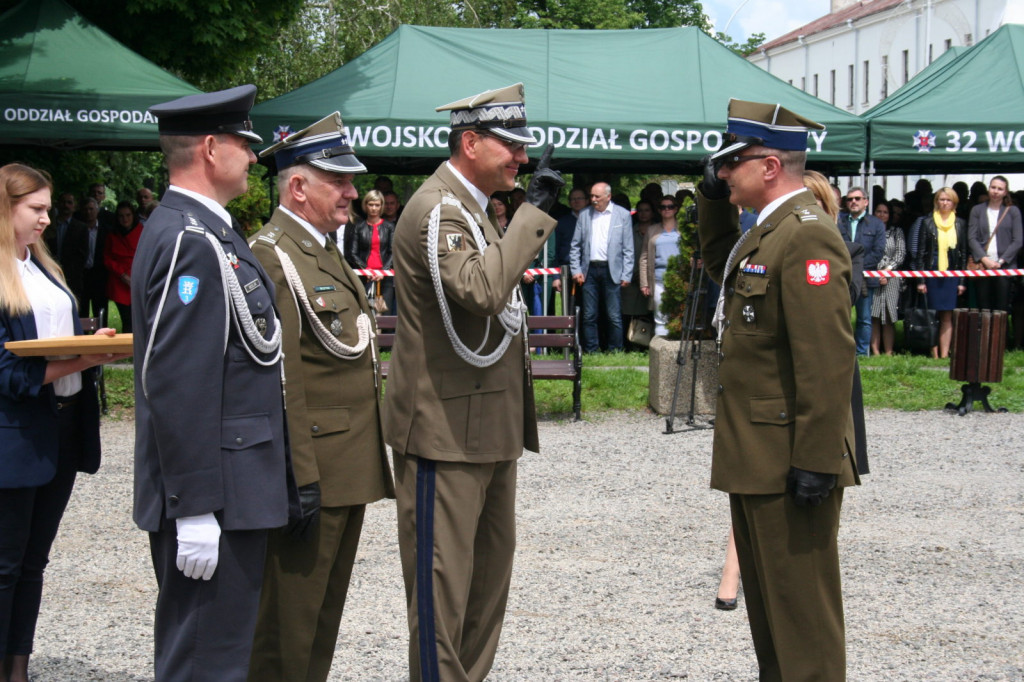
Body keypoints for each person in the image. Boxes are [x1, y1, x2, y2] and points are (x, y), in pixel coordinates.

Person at [384, 82, 562, 682]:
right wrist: (533, 215)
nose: (521, 157)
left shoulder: (474, 210)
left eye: (522, 146)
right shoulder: (439, 209)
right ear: (470, 142)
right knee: (443, 599)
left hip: (486, 427)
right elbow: (484, 292)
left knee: (486, 589)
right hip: (444, 429)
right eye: (509, 145)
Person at [131, 84, 294, 682]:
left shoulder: (203, 231)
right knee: (203, 663)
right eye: (242, 143)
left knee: (217, 655)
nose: (252, 156)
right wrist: (196, 509)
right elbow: (178, 383)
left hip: (231, 488)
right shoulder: (190, 241)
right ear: (209, 147)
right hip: (215, 495)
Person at [698, 99, 859, 681]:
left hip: (790, 458)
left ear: (768, 166)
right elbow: (722, 267)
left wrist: (816, 460)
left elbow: (827, 359)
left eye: (730, 164)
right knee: (772, 624)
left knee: (804, 627)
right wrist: (711, 207)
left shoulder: (807, 237)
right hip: (757, 456)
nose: (721, 172)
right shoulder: (764, 235)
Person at [247, 112, 395, 682]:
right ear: (298, 187)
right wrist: (297, 475)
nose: (355, 193)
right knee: (287, 627)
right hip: (311, 470)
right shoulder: (272, 254)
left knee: (321, 621)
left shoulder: (322, 249)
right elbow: (279, 379)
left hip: (346, 465)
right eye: (340, 181)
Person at [0, 163, 125, 682]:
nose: (48, 219)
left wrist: (89, 340)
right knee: (5, 568)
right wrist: (84, 360)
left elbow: (59, 335)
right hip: (17, 436)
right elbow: (7, 373)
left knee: (34, 564)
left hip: (65, 428)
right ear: (5, 210)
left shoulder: (45, 268)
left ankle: (19, 670)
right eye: (37, 209)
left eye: (48, 209)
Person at [568, 181, 634, 352]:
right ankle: (591, 350)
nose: (593, 199)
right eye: (591, 196)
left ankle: (616, 350)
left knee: (614, 315)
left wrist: (627, 274)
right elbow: (575, 246)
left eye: (597, 196)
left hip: (613, 271)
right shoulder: (584, 214)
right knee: (589, 315)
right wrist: (576, 270)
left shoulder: (623, 215)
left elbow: (628, 247)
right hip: (589, 270)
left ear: (608, 196)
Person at [909, 187, 968, 359]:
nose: (944, 203)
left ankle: (944, 354)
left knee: (947, 315)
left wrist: (962, 281)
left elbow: (963, 254)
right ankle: (933, 353)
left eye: (948, 200)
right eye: (941, 199)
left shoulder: (960, 223)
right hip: (931, 272)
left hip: (951, 274)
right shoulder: (927, 222)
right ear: (936, 202)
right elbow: (920, 254)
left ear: (954, 203)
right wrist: (920, 280)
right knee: (932, 314)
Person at [838, 186, 886, 356]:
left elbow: (878, 252)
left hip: (865, 277)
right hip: (841, 276)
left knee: (864, 318)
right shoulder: (838, 221)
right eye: (850, 199)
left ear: (866, 202)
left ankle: (861, 353)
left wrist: (857, 267)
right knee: (840, 317)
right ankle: (842, 351)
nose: (853, 202)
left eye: (857, 199)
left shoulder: (876, 224)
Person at [968, 175, 1022, 312]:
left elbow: (1018, 240)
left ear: (1005, 192)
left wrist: (1000, 261)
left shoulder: (1013, 211)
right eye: (993, 187)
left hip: (1005, 266)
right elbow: (971, 238)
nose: (995, 191)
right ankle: (985, 334)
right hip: (982, 265)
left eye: (999, 189)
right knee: (984, 307)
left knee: (1001, 308)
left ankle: (1000, 334)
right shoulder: (977, 210)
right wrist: (985, 259)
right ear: (988, 189)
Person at [344, 189, 396, 315]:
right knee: (364, 313)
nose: (374, 208)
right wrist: (367, 271)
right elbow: (352, 253)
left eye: (377, 205)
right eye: (371, 204)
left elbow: (393, 251)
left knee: (385, 314)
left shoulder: (389, 227)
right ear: (365, 206)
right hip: (363, 277)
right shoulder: (358, 226)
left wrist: (383, 271)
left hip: (385, 278)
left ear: (381, 207)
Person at [639, 197, 681, 336]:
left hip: (680, 278)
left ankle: (677, 345)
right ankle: (660, 347)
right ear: (659, 210)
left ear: (676, 209)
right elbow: (644, 257)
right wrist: (644, 283)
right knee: (660, 315)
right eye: (663, 207)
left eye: (670, 206)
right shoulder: (652, 230)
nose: (667, 209)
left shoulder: (684, 229)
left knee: (679, 313)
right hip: (657, 279)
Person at [870, 201, 905, 355]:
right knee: (874, 315)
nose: (882, 215)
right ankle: (875, 351)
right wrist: (877, 272)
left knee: (889, 316)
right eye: (879, 211)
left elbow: (900, 254)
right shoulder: (869, 231)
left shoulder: (897, 232)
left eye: (885, 212)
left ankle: (889, 351)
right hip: (873, 276)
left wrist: (887, 271)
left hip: (891, 278)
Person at [42, 192, 89, 306]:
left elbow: (82, 254)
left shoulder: (81, 227)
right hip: (49, 273)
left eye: (69, 202)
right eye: (63, 202)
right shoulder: (48, 226)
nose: (66, 205)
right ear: (57, 204)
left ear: (74, 206)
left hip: (72, 277)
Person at [103, 201, 143, 333]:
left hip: (138, 279)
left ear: (133, 215)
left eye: (128, 215)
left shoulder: (142, 231)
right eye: (121, 216)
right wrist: (122, 275)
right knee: (127, 319)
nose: (125, 219)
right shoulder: (112, 235)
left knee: (141, 318)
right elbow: (107, 258)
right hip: (119, 282)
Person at [622, 200, 655, 344]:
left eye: (647, 210)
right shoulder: (630, 230)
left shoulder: (656, 231)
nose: (643, 213)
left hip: (650, 279)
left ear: (652, 212)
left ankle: (646, 343)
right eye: (640, 210)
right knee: (628, 312)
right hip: (630, 277)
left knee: (649, 312)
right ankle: (629, 342)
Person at [550, 187, 587, 314]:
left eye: (579, 198)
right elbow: (554, 251)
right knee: (569, 309)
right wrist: (556, 276)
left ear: (586, 201)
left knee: (590, 311)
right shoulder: (561, 223)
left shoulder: (594, 220)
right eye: (573, 199)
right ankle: (570, 334)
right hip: (567, 271)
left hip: (591, 271)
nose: (576, 201)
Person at [78, 197, 109, 321]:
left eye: (91, 209)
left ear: (97, 211)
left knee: (100, 311)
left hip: (100, 276)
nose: (88, 212)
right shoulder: (77, 229)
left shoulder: (106, 230)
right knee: (82, 311)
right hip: (82, 275)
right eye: (85, 209)